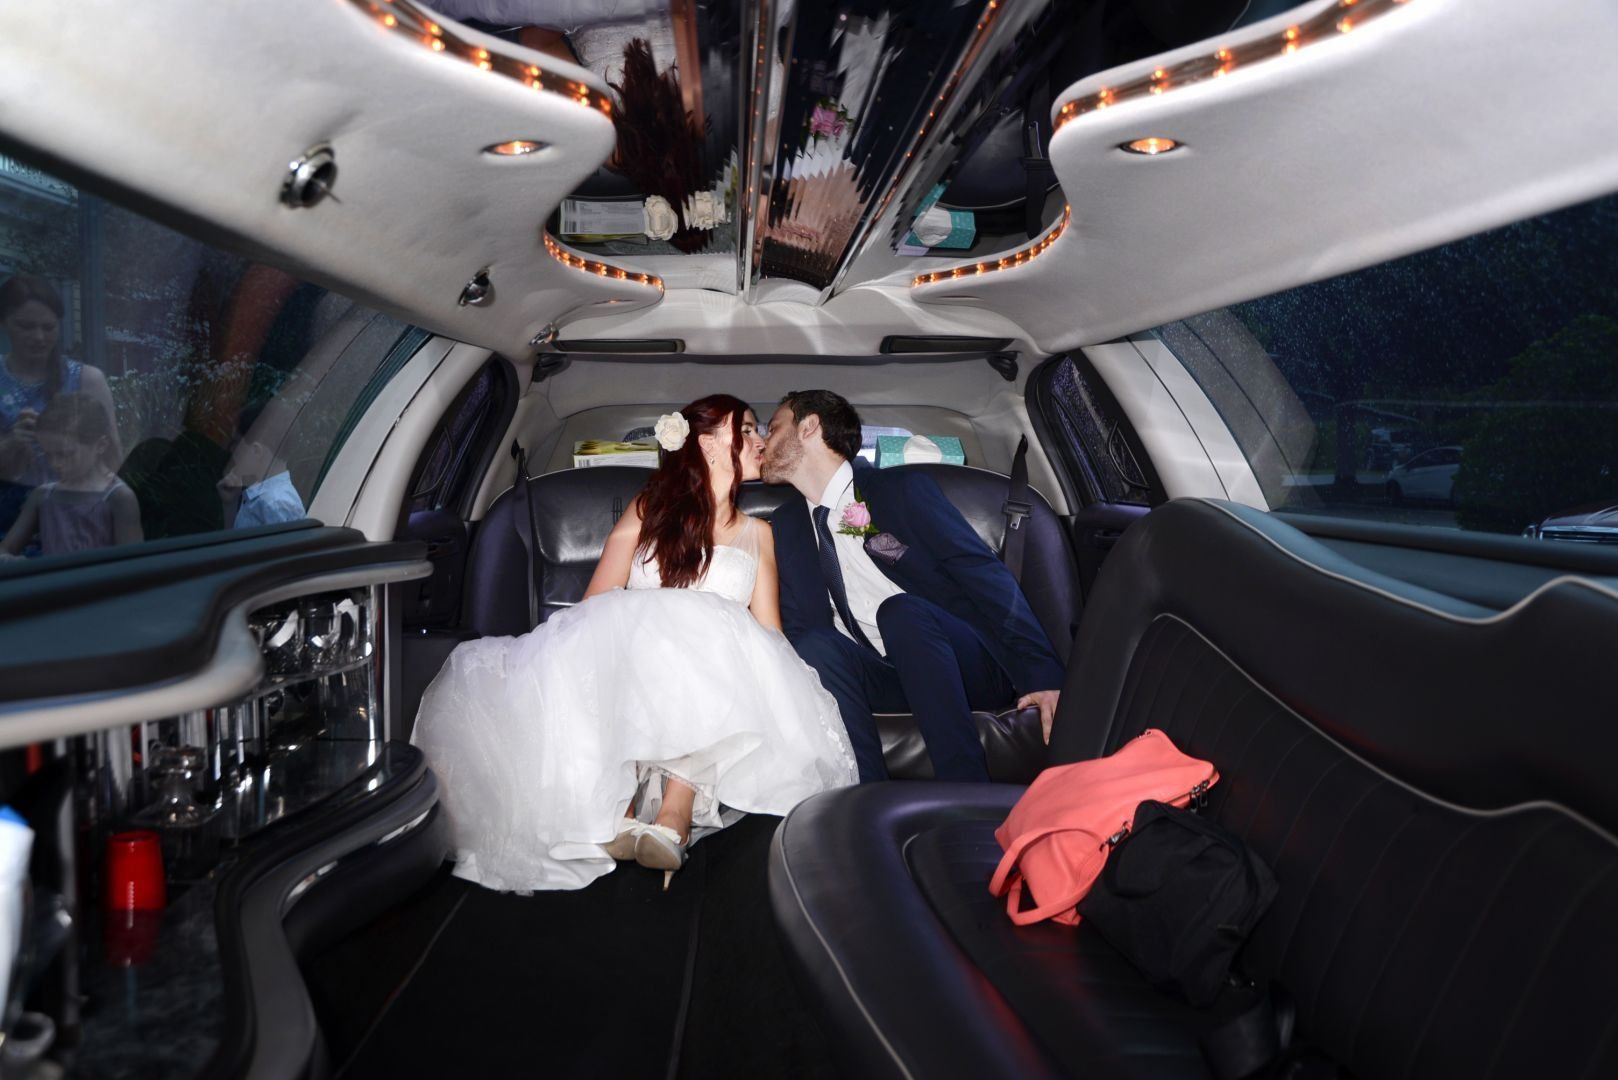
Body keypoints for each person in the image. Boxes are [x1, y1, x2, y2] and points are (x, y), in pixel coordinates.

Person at [410, 394, 856, 892]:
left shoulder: (760, 533)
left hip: (719, 673)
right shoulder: (649, 510)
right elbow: (597, 598)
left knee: (718, 634)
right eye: (746, 429)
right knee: (658, 628)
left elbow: (768, 631)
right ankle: (620, 805)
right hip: (632, 656)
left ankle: (675, 806)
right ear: (709, 444)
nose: (759, 441)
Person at [761, 389, 1064, 783]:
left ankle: (966, 790)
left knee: (900, 611)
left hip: (958, 664)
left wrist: (1044, 676)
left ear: (809, 427)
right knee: (815, 642)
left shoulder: (901, 491)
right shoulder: (787, 525)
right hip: (880, 674)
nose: (763, 441)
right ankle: (865, 799)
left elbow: (984, 578)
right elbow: (798, 628)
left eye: (773, 428)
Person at [0, 274, 121, 541]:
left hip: (70, 523)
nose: (39, 337)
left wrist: (70, 439)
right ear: (4, 323)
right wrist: (11, 443)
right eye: (26, 326)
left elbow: (113, 461)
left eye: (49, 327)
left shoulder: (87, 380)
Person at [0, 392, 141, 558]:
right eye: (48, 455)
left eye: (65, 454)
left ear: (101, 445)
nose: (55, 464)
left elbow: (132, 563)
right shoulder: (43, 496)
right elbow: (5, 550)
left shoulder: (118, 498)